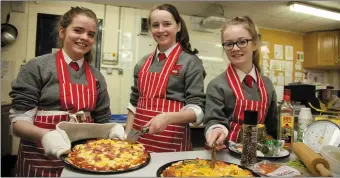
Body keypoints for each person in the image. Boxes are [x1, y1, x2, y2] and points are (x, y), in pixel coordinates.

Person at [9, 7, 124, 177]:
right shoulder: (37, 67)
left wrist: (113, 129)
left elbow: (103, 120)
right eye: (78, 30)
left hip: (85, 158)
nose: (84, 37)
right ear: (62, 32)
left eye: (91, 34)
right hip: (40, 158)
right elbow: (18, 123)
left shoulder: (97, 76)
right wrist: (45, 135)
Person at [125, 4, 206, 152]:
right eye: (155, 25)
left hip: (171, 144)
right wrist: (127, 137)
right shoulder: (142, 63)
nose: (161, 30)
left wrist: (168, 118)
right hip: (138, 143)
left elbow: (198, 109)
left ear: (178, 26)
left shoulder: (191, 62)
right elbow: (133, 104)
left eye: (167, 24)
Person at [204, 16, 278, 149]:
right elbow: (214, 120)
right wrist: (216, 130)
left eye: (242, 42)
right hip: (225, 157)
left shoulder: (267, 85)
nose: (235, 48)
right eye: (229, 44)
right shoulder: (217, 85)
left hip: (260, 157)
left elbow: (272, 126)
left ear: (255, 44)